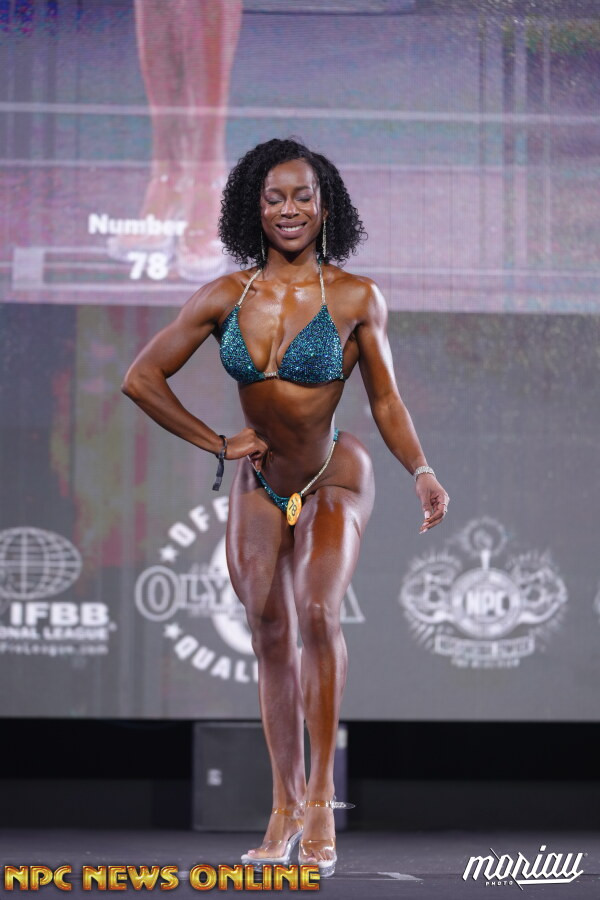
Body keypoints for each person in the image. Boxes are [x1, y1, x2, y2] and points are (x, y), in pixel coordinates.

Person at [121, 138, 450, 878]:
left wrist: (422, 470)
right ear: (255, 208)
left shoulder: (356, 297)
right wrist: (216, 442)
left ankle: (321, 800)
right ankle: (284, 804)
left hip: (334, 474)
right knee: (270, 634)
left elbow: (386, 400)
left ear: (326, 207)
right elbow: (141, 379)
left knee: (318, 612)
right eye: (274, 198)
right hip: (262, 484)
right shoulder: (223, 296)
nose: (289, 209)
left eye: (303, 196)